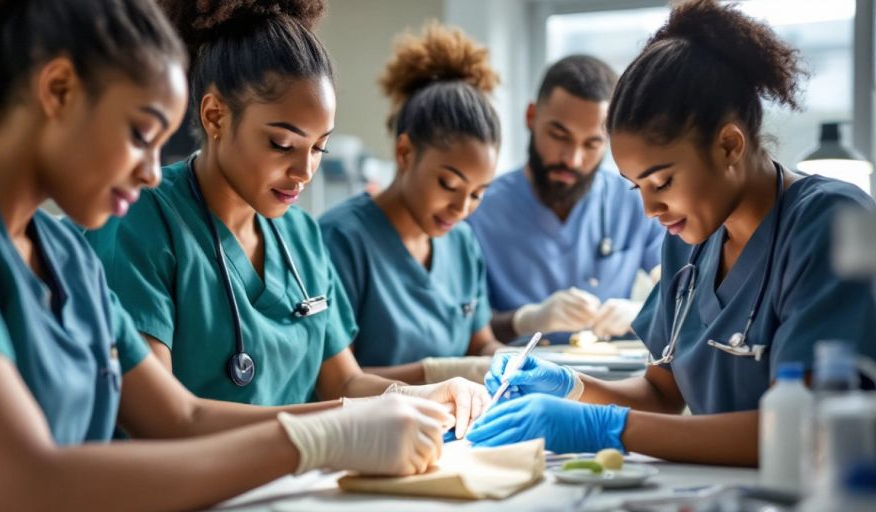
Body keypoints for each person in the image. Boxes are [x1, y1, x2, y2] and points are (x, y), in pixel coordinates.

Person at [0, 1, 454, 509]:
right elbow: (23, 483)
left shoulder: (64, 255)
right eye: (141, 135)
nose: (148, 173)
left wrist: (348, 420)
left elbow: (180, 419)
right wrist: (314, 441)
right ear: (58, 90)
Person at [466, 0, 876, 466]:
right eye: (636, 186)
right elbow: (661, 393)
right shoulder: (688, 241)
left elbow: (809, 432)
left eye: (661, 182)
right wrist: (571, 386)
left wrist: (610, 428)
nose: (648, 208)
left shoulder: (830, 225)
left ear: (728, 145)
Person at [83, 1, 488, 434]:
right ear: (215, 115)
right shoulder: (142, 217)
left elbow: (344, 381)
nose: (305, 171)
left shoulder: (302, 236)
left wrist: (418, 395)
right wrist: (339, 423)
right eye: (281, 143)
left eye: (318, 147)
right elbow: (162, 419)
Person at [319, 23, 504, 385]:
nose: (461, 207)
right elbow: (337, 382)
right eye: (448, 184)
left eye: (478, 193)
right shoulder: (340, 240)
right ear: (404, 152)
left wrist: (503, 362)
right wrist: (440, 374)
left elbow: (480, 343)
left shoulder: (462, 243)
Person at [466, 55, 665, 344]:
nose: (572, 159)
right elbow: (468, 331)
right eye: (559, 135)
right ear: (531, 117)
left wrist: (646, 312)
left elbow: (682, 289)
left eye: (592, 143)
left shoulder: (634, 202)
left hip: (612, 378)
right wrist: (527, 319)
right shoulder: (479, 209)